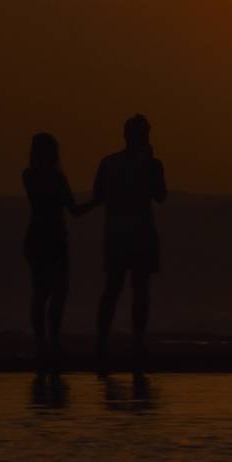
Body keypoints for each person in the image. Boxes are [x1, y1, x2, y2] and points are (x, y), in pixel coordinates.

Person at [94, 113, 168, 375]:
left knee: (112, 289)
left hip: (115, 233)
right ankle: (136, 344)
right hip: (140, 233)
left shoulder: (108, 163)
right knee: (139, 290)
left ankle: (101, 344)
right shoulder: (151, 164)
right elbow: (160, 195)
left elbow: (97, 196)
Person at [22, 132, 95, 372]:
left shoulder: (29, 176)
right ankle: (52, 341)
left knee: (41, 292)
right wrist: (98, 201)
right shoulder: (56, 177)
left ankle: (43, 343)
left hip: (36, 238)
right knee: (58, 292)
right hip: (54, 239)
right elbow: (73, 210)